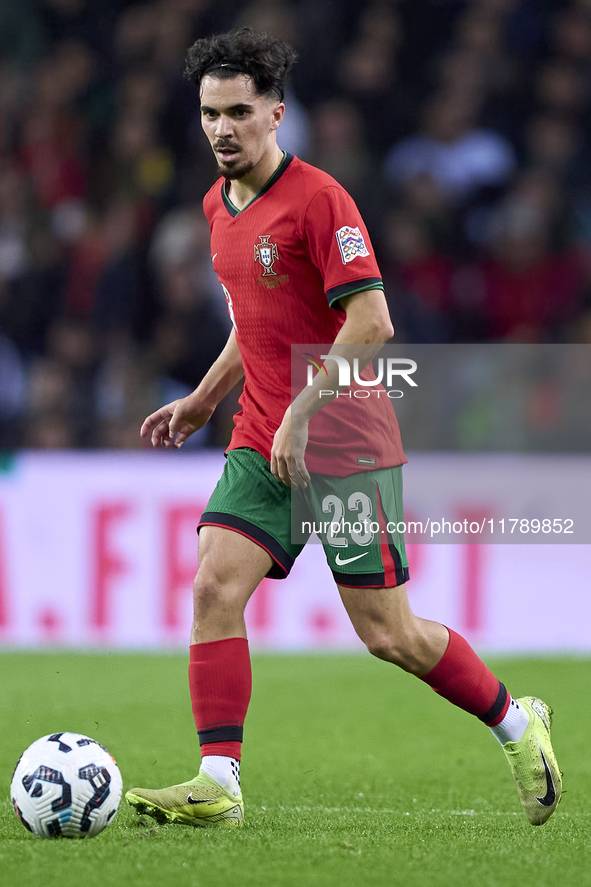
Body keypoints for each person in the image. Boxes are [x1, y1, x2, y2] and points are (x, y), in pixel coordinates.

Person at [126, 29, 561, 829]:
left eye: (238, 113)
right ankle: (218, 782)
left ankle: (515, 722)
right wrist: (203, 397)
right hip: (263, 435)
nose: (221, 129)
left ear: (276, 114)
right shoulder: (215, 206)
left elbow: (371, 323)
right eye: (208, 113)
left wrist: (300, 411)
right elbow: (251, 322)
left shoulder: (321, 199)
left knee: (388, 633)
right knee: (215, 584)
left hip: (344, 440)